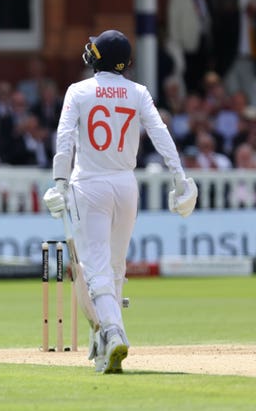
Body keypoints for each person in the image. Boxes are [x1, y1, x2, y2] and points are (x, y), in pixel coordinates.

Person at [43, 30, 198, 374]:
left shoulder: (78, 91)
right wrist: (180, 176)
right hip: (126, 185)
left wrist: (58, 181)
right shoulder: (138, 92)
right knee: (115, 267)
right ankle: (106, 338)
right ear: (126, 62)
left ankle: (111, 333)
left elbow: (65, 137)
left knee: (96, 267)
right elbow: (160, 132)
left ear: (97, 57)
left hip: (90, 185)